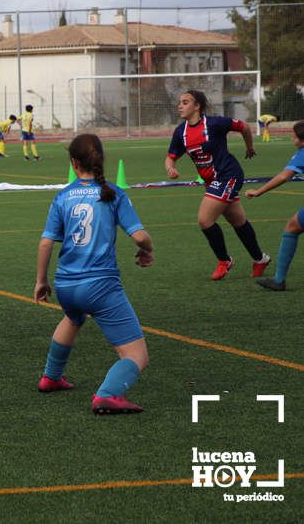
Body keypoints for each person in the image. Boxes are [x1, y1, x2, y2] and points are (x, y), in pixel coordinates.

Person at [35, 134, 154, 415]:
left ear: (74, 163)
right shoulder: (113, 193)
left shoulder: (63, 196)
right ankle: (107, 395)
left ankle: (50, 377)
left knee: (73, 316)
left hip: (66, 285)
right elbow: (139, 236)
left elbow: (45, 242)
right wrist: (147, 250)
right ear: (101, 159)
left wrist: (42, 280)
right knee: (137, 355)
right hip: (100, 286)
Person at [166, 90, 270, 280]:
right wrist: (171, 168)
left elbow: (244, 127)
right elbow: (170, 156)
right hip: (212, 181)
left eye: (185, 102)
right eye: (179, 102)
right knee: (238, 221)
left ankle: (224, 260)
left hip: (228, 175)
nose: (180, 105)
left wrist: (250, 147)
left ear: (197, 106)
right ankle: (260, 258)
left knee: (205, 220)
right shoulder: (181, 132)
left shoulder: (215, 123)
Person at [245, 120, 304, 290]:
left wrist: (259, 191)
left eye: (294, 138)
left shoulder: (302, 153)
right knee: (293, 225)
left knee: (291, 228)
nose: (293, 141)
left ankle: (279, 280)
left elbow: (284, 177)